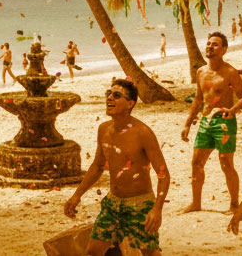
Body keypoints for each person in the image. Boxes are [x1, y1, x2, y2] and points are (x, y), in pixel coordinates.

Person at [64, 79, 169, 255]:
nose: (109, 98)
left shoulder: (143, 133)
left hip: (140, 204)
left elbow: (163, 174)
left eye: (116, 95)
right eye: (109, 94)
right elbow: (97, 166)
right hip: (113, 203)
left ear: (130, 103)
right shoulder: (103, 129)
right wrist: (77, 195)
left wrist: (157, 209)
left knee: (149, 253)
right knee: (93, 252)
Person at [181, 32, 242, 213]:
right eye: (208, 43)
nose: (210, 46)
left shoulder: (230, 72)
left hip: (224, 122)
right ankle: (196, 203)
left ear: (224, 49)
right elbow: (197, 100)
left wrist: (231, 111)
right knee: (196, 163)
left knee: (226, 164)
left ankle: (234, 205)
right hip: (205, 122)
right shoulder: (201, 71)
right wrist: (187, 123)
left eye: (215, 44)